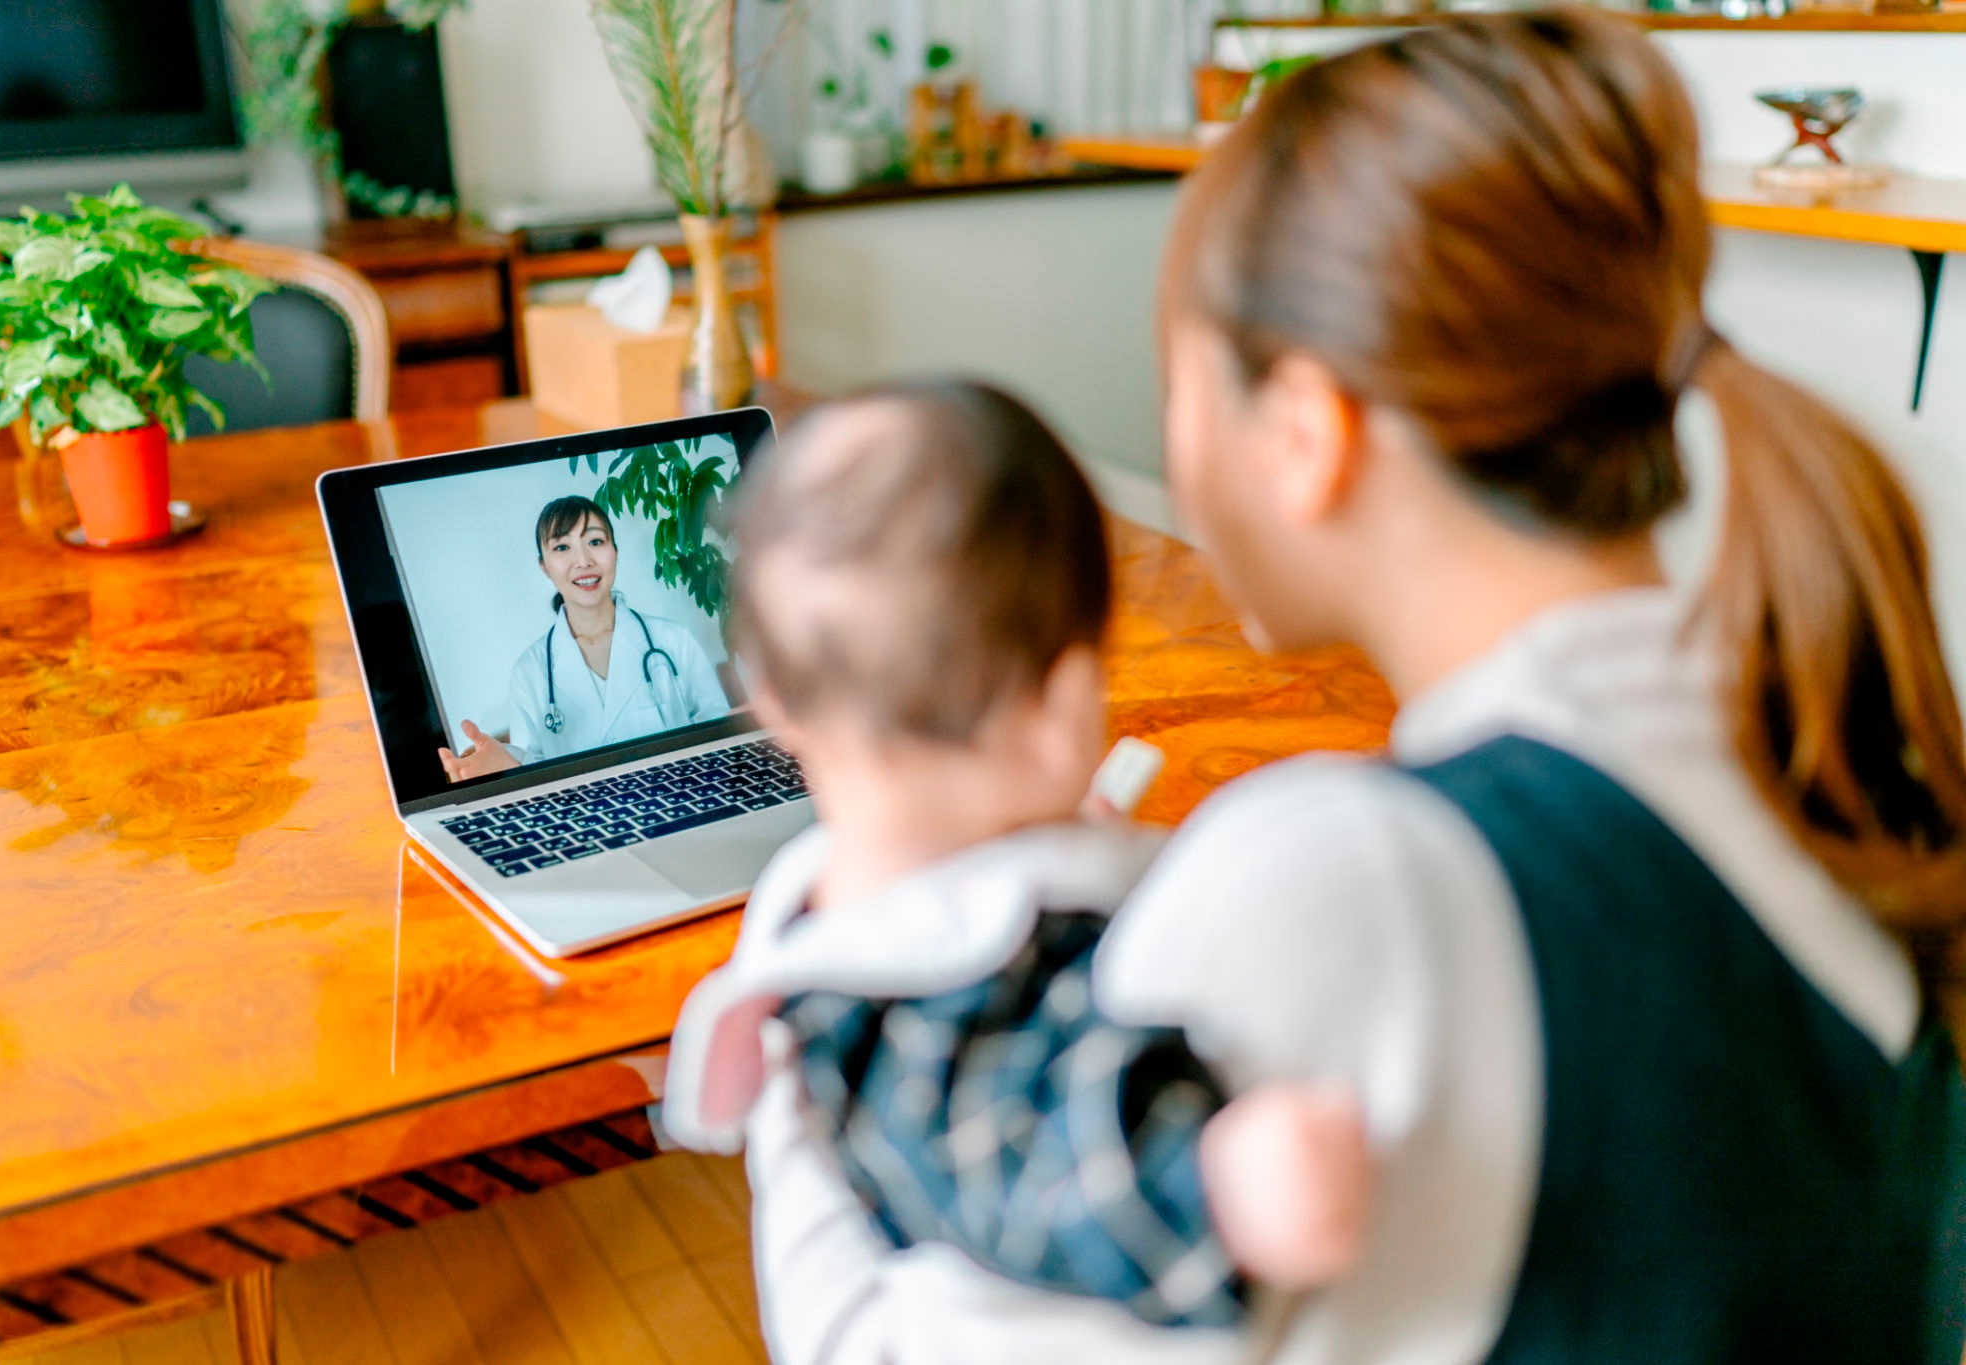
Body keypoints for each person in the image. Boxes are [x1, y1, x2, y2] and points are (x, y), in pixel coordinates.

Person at [711, 13, 1966, 1365]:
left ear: (1305, 437)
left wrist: (809, 989)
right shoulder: (1832, 745)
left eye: (1181, 384)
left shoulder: (1351, 876)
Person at [661, 381, 1374, 1365]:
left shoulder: (804, 912)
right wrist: (1228, 1188)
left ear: (773, 695)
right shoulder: (932, 1001)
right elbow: (1040, 1163)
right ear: (1065, 703)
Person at [439, 495, 730, 781]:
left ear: (615, 550)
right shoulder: (529, 672)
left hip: (682, 797)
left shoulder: (674, 641)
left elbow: (722, 736)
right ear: (544, 566)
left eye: (595, 542)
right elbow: (533, 777)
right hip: (590, 822)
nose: (583, 561)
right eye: (563, 547)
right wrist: (510, 771)